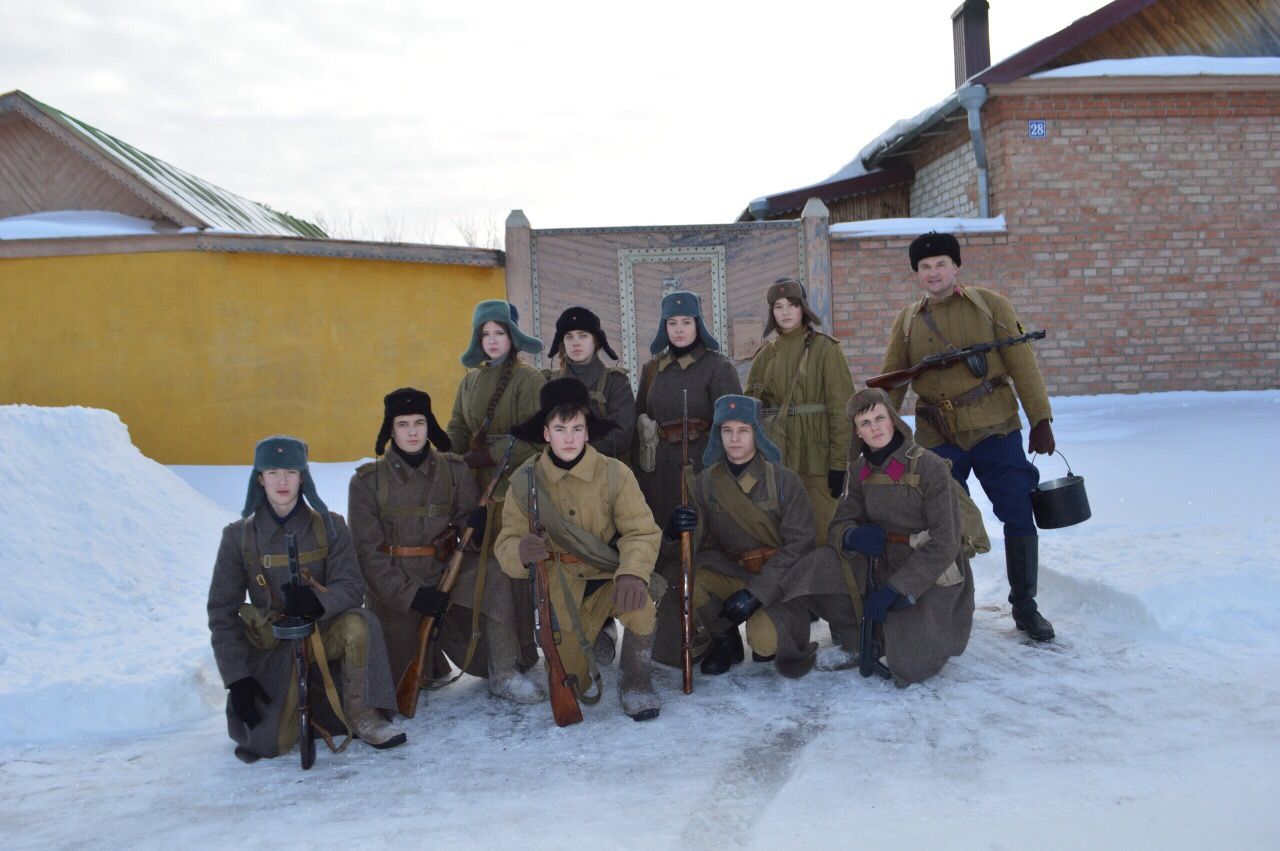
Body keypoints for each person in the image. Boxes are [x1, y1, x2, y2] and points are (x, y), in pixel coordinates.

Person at [879, 232, 1056, 641]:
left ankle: (1025, 606)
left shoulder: (990, 305)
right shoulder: (906, 321)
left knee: (1017, 511)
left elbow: (1023, 366)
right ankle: (952, 606)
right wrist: (878, 432)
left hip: (995, 427)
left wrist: (1041, 419)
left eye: (941, 264)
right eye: (924, 267)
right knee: (943, 522)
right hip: (937, 435)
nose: (933, 272)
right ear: (916, 274)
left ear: (956, 266)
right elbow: (892, 383)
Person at [207, 436, 405, 763]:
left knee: (361, 622)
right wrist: (237, 679)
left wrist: (316, 603)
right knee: (273, 743)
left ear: (303, 476)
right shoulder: (238, 538)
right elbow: (221, 613)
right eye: (272, 472)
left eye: (291, 471)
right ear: (260, 478)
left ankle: (363, 713)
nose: (282, 481)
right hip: (272, 650)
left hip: (323, 635)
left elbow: (352, 585)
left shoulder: (332, 527)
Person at [348, 387, 545, 707]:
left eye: (419, 422)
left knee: (497, 573)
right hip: (397, 583)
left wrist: (478, 527)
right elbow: (367, 556)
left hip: (448, 572)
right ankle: (427, 662)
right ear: (390, 429)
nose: (412, 432)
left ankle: (505, 671)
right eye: (403, 424)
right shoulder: (367, 482)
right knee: (395, 685)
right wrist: (413, 595)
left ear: (430, 426)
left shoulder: (453, 470)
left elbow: (469, 536)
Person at [495, 378, 664, 721]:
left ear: (587, 432)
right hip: (560, 588)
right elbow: (506, 544)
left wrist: (632, 572)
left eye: (577, 428)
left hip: (607, 575)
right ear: (546, 434)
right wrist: (520, 551)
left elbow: (641, 531)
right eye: (560, 429)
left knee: (641, 605)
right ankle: (596, 637)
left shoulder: (616, 474)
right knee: (573, 679)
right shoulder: (524, 482)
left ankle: (635, 682)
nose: (569, 438)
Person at [661, 394, 820, 678]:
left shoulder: (785, 481)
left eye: (743, 430)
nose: (734, 439)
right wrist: (675, 533)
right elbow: (693, 547)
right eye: (727, 431)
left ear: (756, 433)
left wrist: (756, 593)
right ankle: (725, 640)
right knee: (689, 575)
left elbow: (800, 545)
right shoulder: (704, 484)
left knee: (765, 644)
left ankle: (766, 626)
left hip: (780, 580)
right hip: (733, 570)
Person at [828, 389, 976, 686]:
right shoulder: (859, 471)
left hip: (930, 569)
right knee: (818, 567)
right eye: (865, 423)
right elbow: (838, 524)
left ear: (893, 420)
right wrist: (852, 535)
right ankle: (861, 635)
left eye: (880, 418)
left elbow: (945, 542)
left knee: (910, 666)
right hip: (882, 561)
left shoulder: (929, 466)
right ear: (857, 432)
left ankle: (907, 632)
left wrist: (896, 589)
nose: (875, 428)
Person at [634, 291, 742, 659]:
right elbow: (639, 421)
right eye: (672, 323)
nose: (679, 330)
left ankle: (723, 635)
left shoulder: (718, 366)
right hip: (660, 472)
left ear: (699, 324)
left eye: (686, 322)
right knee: (667, 552)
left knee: (705, 551)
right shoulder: (652, 369)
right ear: (664, 327)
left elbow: (733, 426)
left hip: (705, 469)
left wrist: (724, 475)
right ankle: (676, 634)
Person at [446, 300, 547, 672]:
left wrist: (489, 456)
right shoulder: (470, 380)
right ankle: (487, 650)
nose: (491, 340)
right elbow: (458, 427)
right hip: (472, 491)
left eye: (499, 333)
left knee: (512, 568)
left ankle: (522, 650)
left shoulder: (529, 380)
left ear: (513, 336)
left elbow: (539, 439)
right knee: (481, 568)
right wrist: (445, 457)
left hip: (514, 491)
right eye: (485, 333)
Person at [746, 278, 855, 543]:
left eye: (792, 305)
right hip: (779, 457)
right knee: (782, 537)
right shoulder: (765, 356)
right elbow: (750, 411)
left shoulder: (826, 349)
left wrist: (840, 464)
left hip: (818, 457)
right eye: (778, 306)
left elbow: (843, 411)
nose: (785, 312)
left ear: (803, 308)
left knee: (822, 534)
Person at [545, 305, 635, 460]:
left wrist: (572, 447)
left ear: (596, 340)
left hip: (604, 472)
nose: (576, 342)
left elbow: (621, 436)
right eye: (569, 336)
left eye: (583, 335)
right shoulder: (549, 382)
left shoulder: (615, 382)